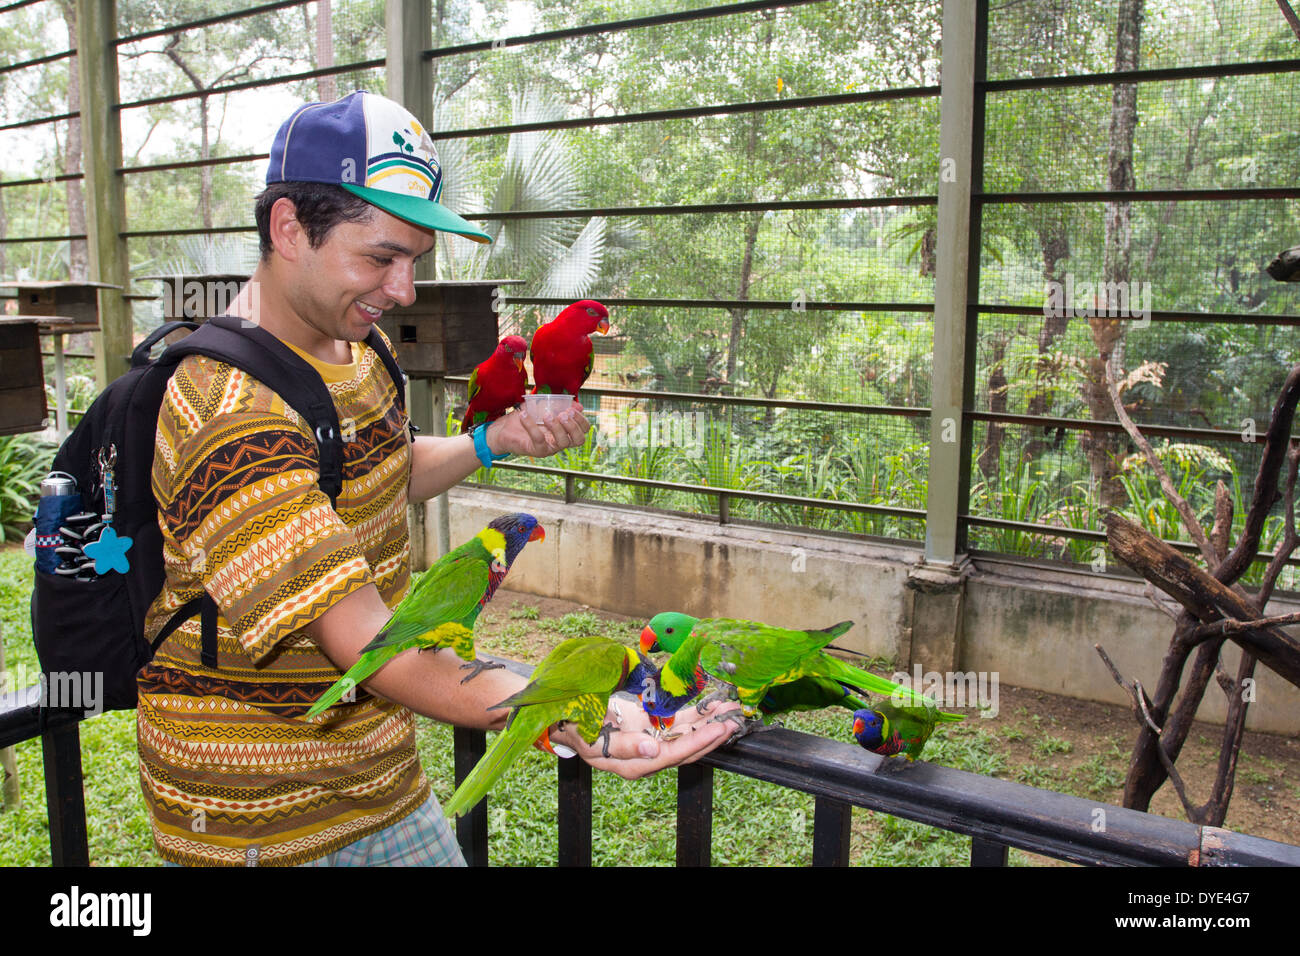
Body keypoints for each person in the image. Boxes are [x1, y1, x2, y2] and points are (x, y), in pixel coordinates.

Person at [138, 90, 735, 866]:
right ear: (287, 227)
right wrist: (568, 707)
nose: (404, 291)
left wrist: (494, 440)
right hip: (260, 817)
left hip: (380, 768)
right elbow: (364, 642)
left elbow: (386, 470)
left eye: (414, 260)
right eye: (380, 257)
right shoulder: (229, 407)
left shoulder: (356, 347)